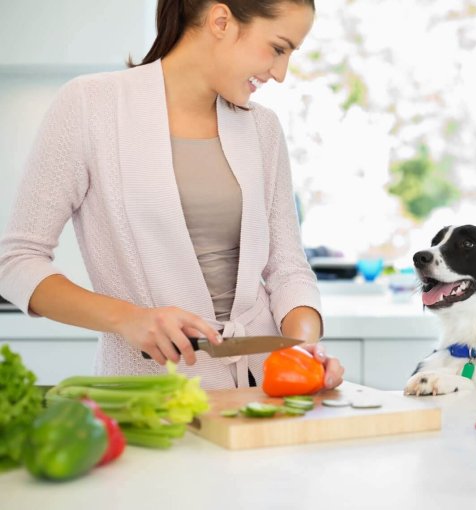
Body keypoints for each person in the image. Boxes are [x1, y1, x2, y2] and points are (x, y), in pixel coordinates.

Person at [0, 0, 344, 390]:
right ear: (220, 21)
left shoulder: (262, 129)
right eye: (278, 48)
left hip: (265, 386)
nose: (281, 74)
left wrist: (302, 348)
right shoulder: (90, 106)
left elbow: (288, 268)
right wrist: (129, 318)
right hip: (151, 393)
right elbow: (16, 263)